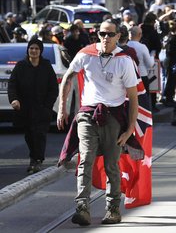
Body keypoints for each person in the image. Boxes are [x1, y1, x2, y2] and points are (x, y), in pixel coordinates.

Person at [57, 20, 140, 226]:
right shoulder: (86, 54)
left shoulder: (124, 60)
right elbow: (68, 77)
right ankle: (82, 207)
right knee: (85, 159)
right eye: (102, 34)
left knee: (112, 164)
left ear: (118, 36)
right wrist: (62, 108)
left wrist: (130, 129)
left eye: (110, 34)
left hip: (113, 116)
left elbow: (133, 97)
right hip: (87, 115)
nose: (105, 38)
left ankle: (112, 209)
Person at [8, 39, 58, 174]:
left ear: (40, 51)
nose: (34, 51)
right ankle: (33, 157)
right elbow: (12, 85)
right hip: (25, 108)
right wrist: (14, 100)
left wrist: (48, 105)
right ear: (28, 50)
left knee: (39, 134)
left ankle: (37, 160)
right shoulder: (21, 66)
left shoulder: (46, 66)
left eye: (36, 48)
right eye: (31, 48)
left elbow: (53, 88)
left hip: (42, 108)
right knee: (29, 135)